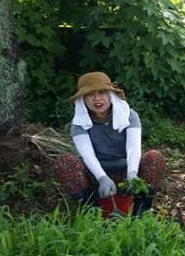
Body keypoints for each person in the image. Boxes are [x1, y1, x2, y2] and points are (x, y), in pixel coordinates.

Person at [54, 71, 165, 216]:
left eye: (102, 93)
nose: (97, 99)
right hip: (96, 175)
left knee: (154, 158)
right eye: (90, 94)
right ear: (83, 99)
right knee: (64, 162)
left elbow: (133, 147)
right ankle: (94, 211)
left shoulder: (129, 116)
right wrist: (102, 177)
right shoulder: (79, 123)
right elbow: (87, 155)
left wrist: (132, 174)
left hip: (127, 172)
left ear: (111, 95)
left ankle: (139, 213)